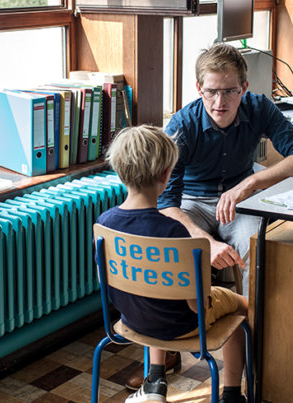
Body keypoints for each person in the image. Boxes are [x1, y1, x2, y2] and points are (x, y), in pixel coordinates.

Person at [97, 125, 250, 403]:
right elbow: (197, 307)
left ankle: (155, 381)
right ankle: (231, 393)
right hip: (182, 326)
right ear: (166, 175)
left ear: (119, 172)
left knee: (153, 290)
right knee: (242, 309)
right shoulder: (174, 233)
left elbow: (108, 285)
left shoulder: (105, 224)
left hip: (133, 320)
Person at [159, 43, 293, 295]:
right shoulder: (181, 125)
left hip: (241, 198)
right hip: (192, 200)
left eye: (230, 91)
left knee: (256, 249)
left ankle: (249, 326)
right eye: (211, 92)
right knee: (180, 252)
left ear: (244, 88)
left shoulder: (259, 107)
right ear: (199, 89)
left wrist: (249, 184)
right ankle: (194, 327)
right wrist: (206, 242)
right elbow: (167, 204)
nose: (220, 102)